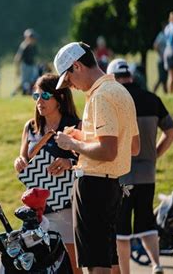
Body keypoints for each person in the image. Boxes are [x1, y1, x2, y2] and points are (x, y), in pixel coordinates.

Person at [52, 42, 140, 274]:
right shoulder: (121, 91)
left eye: (69, 80)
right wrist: (84, 138)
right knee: (109, 259)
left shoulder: (100, 96)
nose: (72, 87)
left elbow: (108, 150)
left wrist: (73, 143)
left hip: (93, 185)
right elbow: (133, 147)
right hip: (112, 185)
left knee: (95, 263)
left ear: (77, 66)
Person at [107, 59, 173, 274]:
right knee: (147, 221)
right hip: (148, 173)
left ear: (113, 78)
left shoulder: (114, 101)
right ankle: (156, 264)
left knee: (122, 230)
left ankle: (126, 272)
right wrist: (154, 154)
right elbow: (171, 132)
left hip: (123, 175)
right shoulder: (152, 99)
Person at [13, 73, 82, 274]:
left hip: (66, 205)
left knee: (72, 264)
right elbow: (22, 158)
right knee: (40, 264)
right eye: (36, 97)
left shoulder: (73, 126)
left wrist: (69, 162)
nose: (39, 102)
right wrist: (19, 162)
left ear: (59, 98)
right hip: (37, 209)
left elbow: (89, 161)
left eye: (45, 97)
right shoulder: (31, 127)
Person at [12, 28, 39, 95]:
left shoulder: (33, 46)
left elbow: (35, 56)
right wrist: (17, 69)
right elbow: (18, 58)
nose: (32, 39)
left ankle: (27, 93)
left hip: (32, 65)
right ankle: (16, 93)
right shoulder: (24, 46)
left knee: (31, 80)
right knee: (25, 82)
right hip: (25, 65)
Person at [153, 23, 168, 93]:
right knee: (161, 78)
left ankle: (166, 93)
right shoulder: (161, 35)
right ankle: (154, 91)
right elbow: (155, 45)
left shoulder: (167, 35)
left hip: (166, 60)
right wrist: (160, 54)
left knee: (165, 79)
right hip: (161, 60)